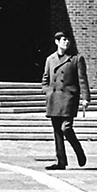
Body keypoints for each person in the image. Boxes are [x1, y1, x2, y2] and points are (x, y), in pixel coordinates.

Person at [40, 30, 89, 169]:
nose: (66, 42)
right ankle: (61, 161)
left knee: (66, 128)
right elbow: (45, 78)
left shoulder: (76, 58)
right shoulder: (50, 59)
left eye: (68, 40)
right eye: (63, 40)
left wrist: (85, 97)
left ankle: (78, 151)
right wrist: (47, 90)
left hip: (69, 97)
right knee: (57, 131)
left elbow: (82, 80)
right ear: (57, 42)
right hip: (54, 97)